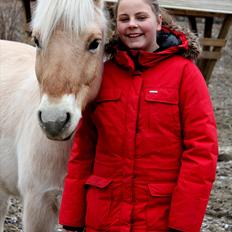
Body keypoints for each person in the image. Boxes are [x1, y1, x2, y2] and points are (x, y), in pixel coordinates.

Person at [59, 0, 218, 231]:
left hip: (158, 218)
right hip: (103, 216)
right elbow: (83, 150)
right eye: (124, 19)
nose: (132, 25)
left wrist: (183, 223)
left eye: (141, 17)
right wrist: (72, 218)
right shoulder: (103, 76)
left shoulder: (186, 74)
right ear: (117, 26)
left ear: (159, 21)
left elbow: (202, 151)